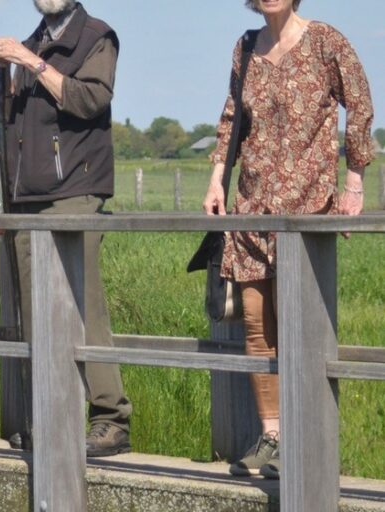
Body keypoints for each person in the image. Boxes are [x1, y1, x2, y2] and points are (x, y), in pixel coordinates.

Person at [202, 0, 374, 479]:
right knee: (256, 326)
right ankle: (271, 436)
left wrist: (354, 181)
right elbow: (230, 118)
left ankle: (305, 436)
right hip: (252, 206)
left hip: (306, 209)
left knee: (299, 327)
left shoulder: (325, 41)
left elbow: (359, 104)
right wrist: (217, 179)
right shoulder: (245, 47)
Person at [0, 0, 132, 457]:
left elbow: (91, 100)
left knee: (83, 306)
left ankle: (111, 418)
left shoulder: (96, 36)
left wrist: (30, 62)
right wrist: (2, 74)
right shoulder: (32, 43)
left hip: (76, 190)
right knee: (35, 312)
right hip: (27, 197)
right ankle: (50, 413)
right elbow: (14, 127)